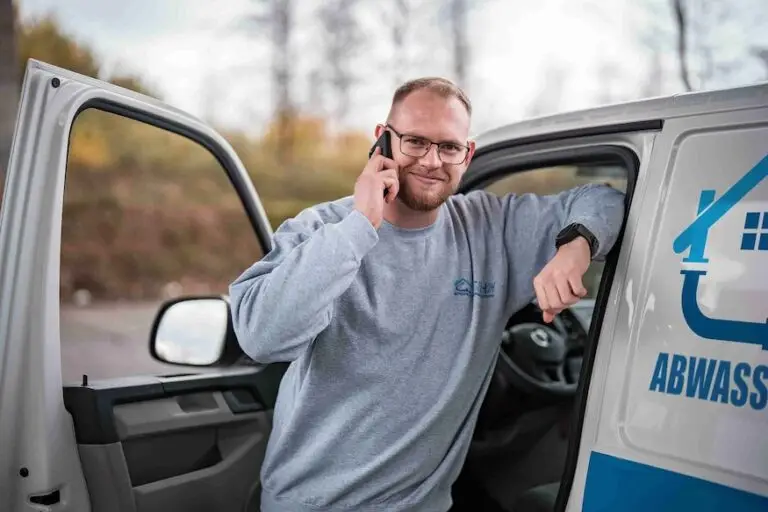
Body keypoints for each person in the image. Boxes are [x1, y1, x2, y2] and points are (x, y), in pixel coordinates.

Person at [229, 77, 625, 512]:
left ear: (468, 154)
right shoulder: (322, 229)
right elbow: (261, 336)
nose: (432, 161)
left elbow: (604, 199)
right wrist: (360, 225)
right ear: (382, 142)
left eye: (449, 147)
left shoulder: (493, 228)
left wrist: (577, 244)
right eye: (415, 142)